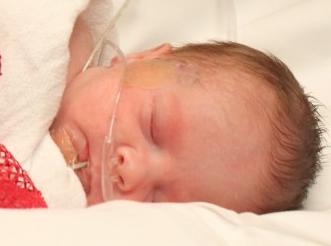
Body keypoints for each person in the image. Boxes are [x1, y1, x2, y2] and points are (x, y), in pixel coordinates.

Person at [50, 21, 325, 213]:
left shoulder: (50, 210)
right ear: (143, 59)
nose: (130, 172)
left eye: (154, 201)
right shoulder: (58, 34)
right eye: (152, 125)